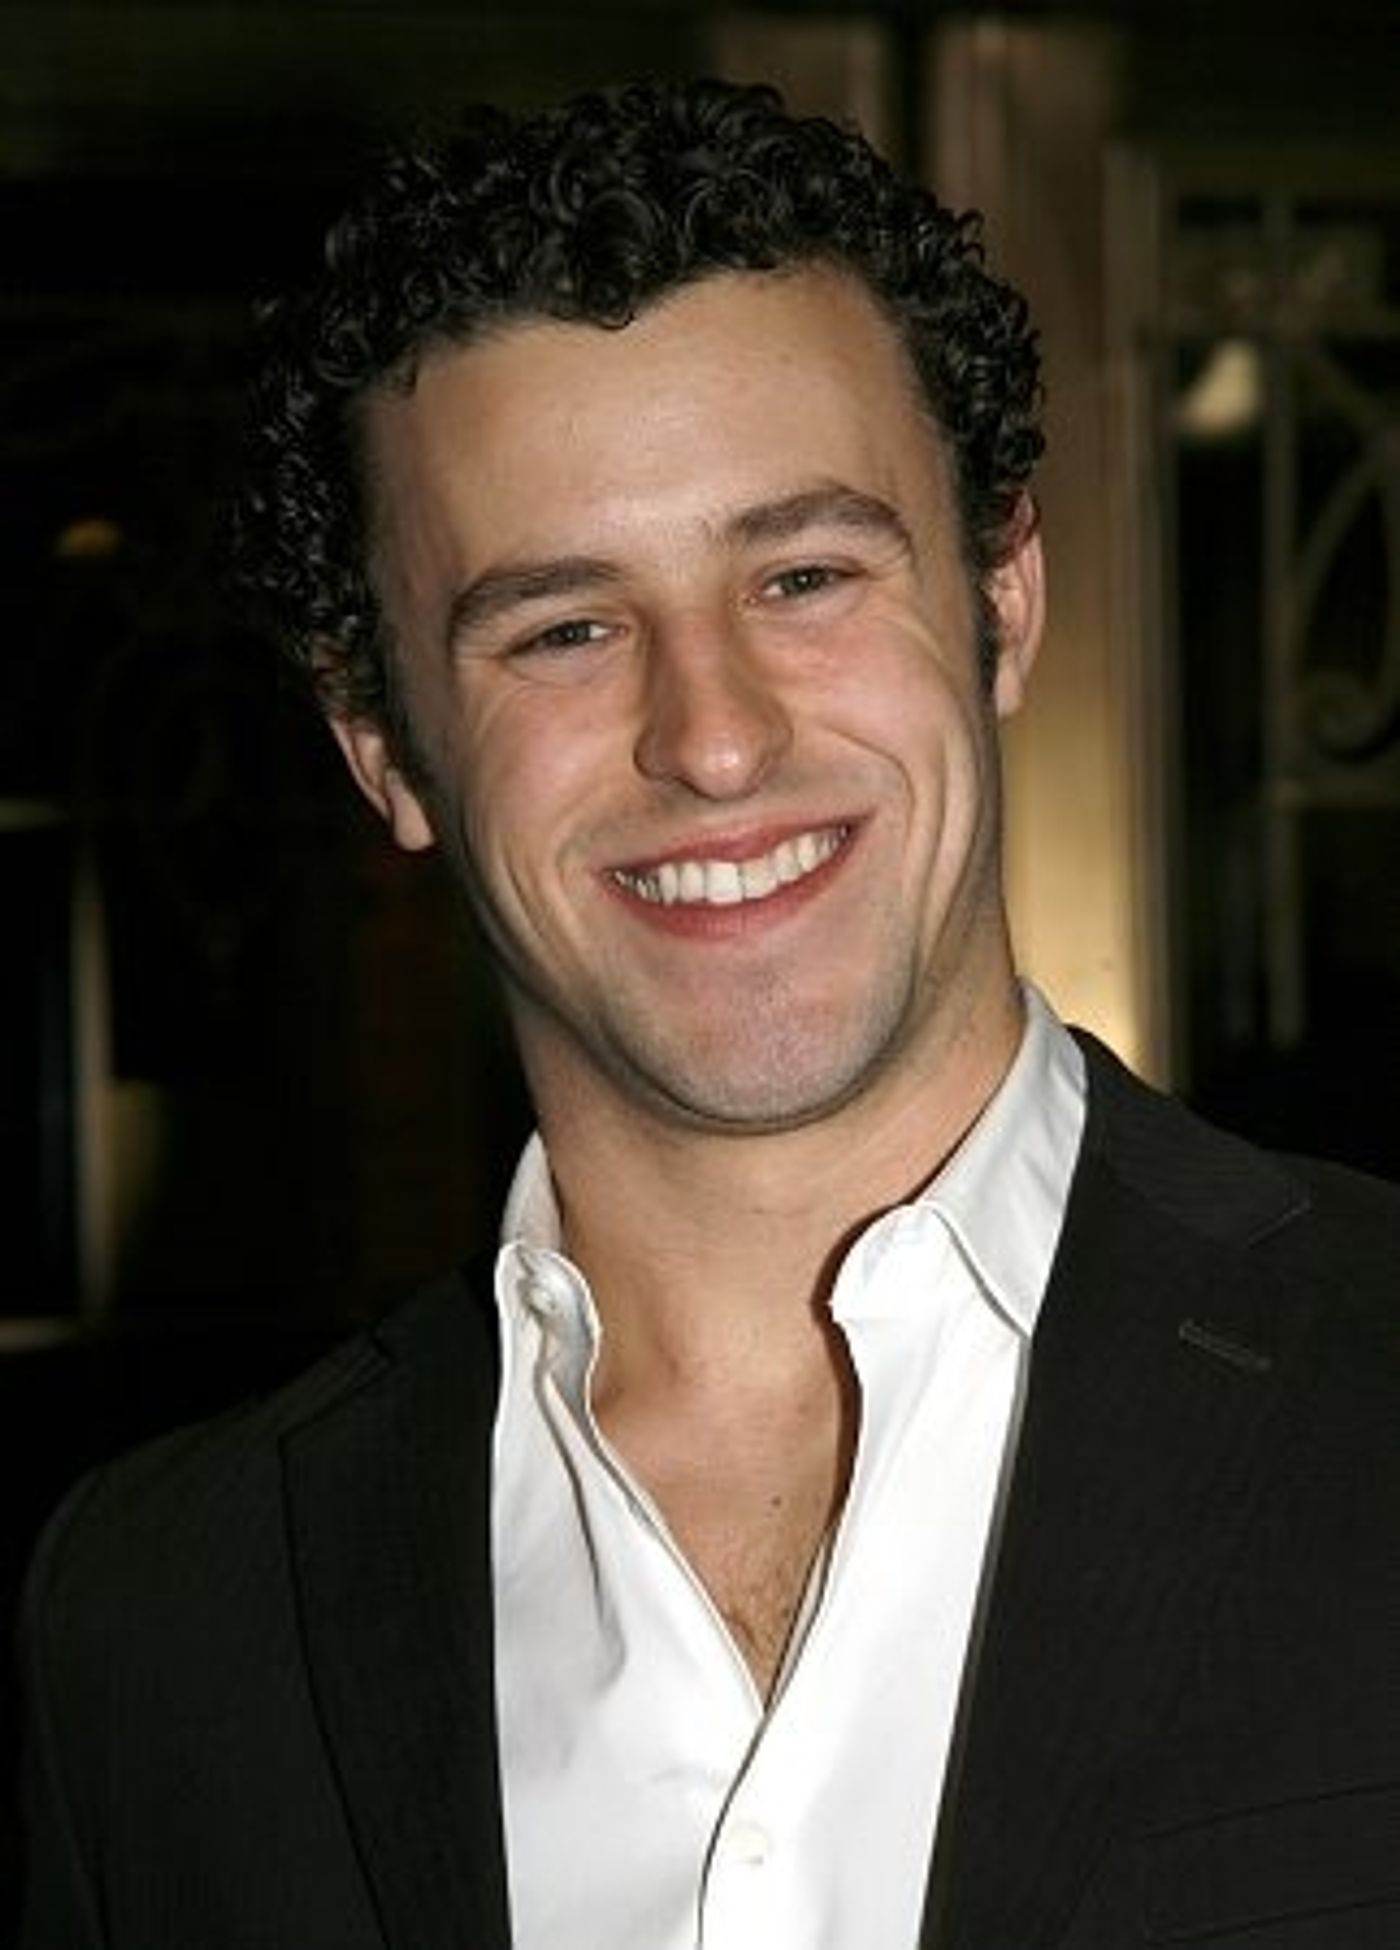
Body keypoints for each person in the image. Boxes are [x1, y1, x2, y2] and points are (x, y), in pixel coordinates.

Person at [17, 77, 1399, 1950]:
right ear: (382, 745)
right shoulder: (156, 1622)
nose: (718, 737)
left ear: (1002, 599)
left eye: (805, 575)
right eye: (564, 629)